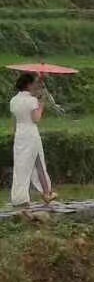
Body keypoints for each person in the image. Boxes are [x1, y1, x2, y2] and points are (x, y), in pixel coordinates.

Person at [9, 73, 55, 206]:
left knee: (22, 165)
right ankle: (45, 193)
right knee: (38, 162)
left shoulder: (14, 100)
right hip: (30, 134)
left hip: (20, 134)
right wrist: (41, 104)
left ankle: (23, 196)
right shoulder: (31, 100)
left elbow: (14, 120)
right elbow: (36, 119)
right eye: (34, 83)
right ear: (28, 85)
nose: (36, 85)